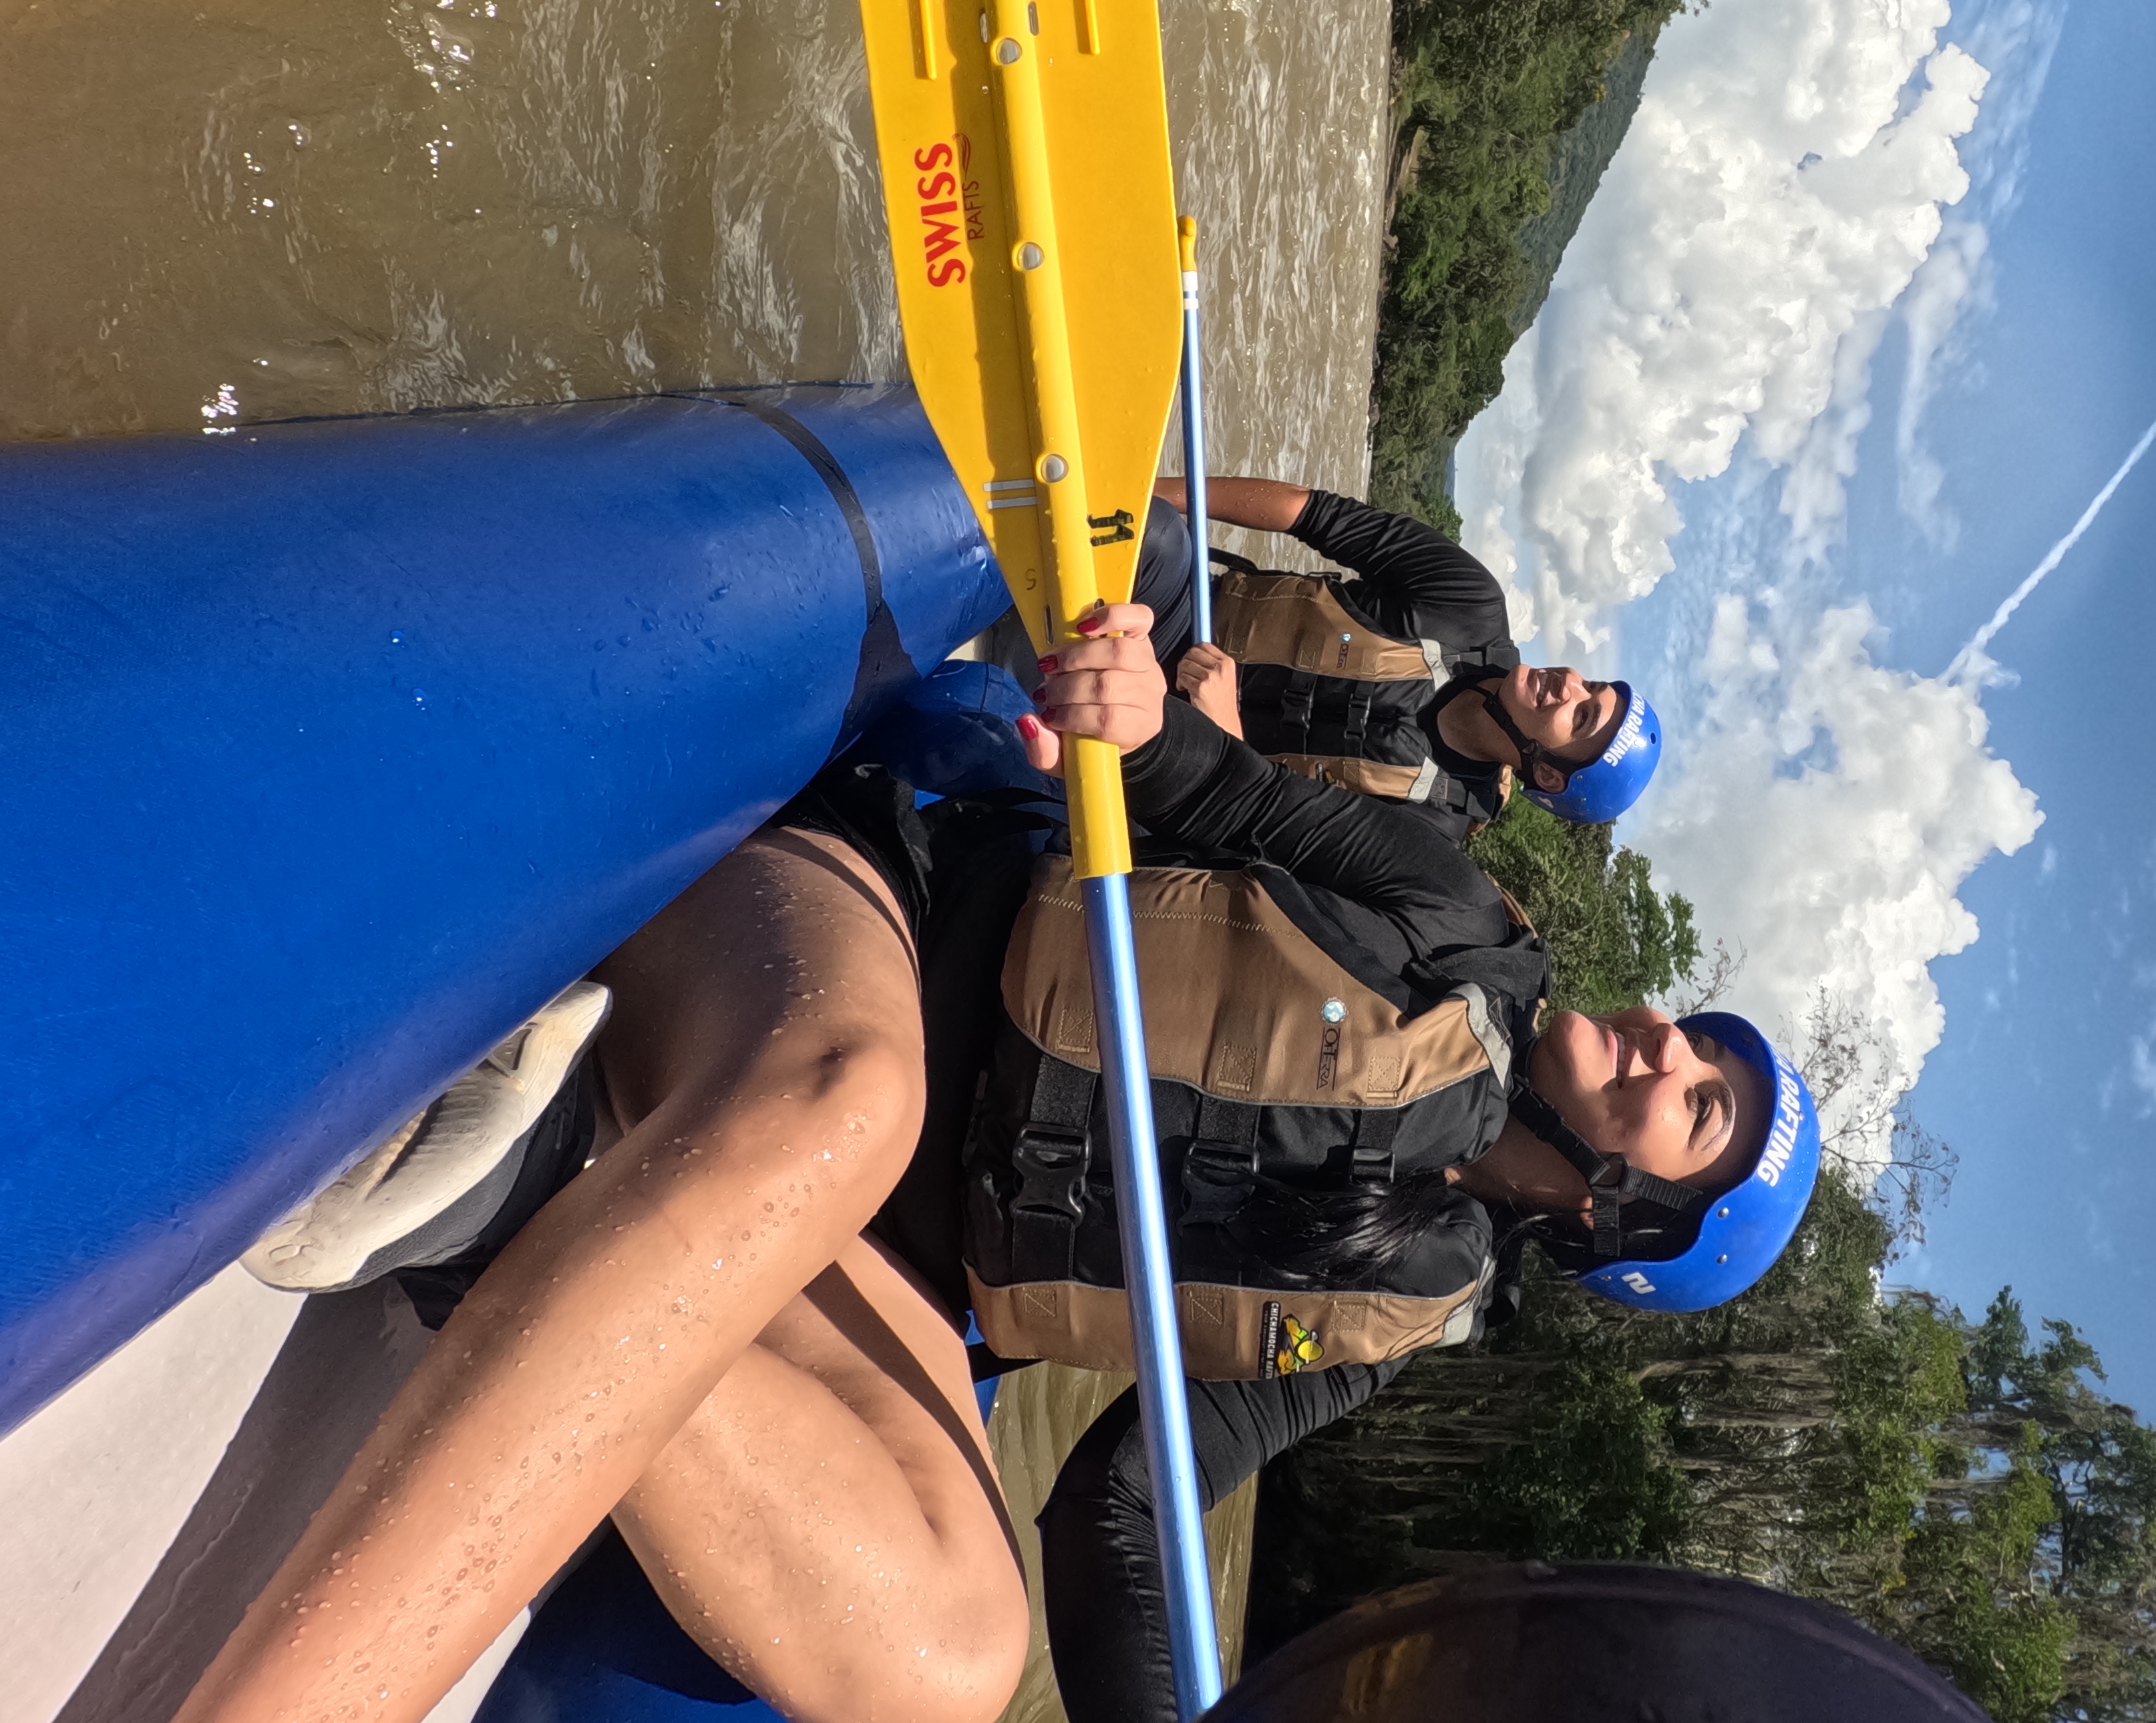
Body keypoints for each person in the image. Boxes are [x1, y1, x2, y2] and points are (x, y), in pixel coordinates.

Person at [185, 604, 1817, 1723]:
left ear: (1626, 1216)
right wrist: (1136, 715)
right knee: (854, 1105)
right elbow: (1203, 786)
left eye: (1700, 1107)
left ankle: (505, 1187)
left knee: (956, 1657)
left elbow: (1116, 1506)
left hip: (888, 1259)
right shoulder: (1457, 919)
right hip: (857, 933)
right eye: (1702, 1042)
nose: (1672, 1041)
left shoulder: (1401, 1315)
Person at [1156, 473, 1663, 839]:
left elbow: (1266, 836)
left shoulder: (1431, 823)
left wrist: (1223, 742)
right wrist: (1151, 495)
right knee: (1157, 531)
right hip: (1186, 609)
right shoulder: (1471, 606)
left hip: (1184, 758)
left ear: (1548, 774)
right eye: (1590, 685)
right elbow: (1310, 511)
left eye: (1581, 717)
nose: (1570, 682)